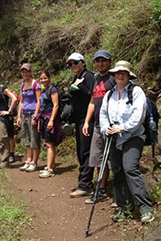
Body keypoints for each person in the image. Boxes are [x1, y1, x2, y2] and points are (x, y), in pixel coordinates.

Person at [99, 60, 154, 224]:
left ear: (129, 75)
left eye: (123, 73)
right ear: (114, 75)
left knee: (130, 168)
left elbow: (138, 116)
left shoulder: (137, 92)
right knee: (117, 170)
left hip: (133, 136)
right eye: (117, 73)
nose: (120, 75)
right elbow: (102, 114)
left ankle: (145, 208)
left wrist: (122, 128)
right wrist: (105, 128)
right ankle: (124, 208)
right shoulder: (110, 94)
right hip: (114, 137)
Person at [80, 50, 116, 205]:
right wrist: (87, 121)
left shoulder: (114, 79)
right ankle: (101, 189)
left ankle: (117, 192)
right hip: (97, 125)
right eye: (98, 61)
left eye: (104, 61)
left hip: (112, 125)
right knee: (97, 159)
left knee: (114, 159)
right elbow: (92, 102)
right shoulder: (95, 79)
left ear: (109, 62)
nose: (101, 64)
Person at [66, 53, 96, 197]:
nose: (73, 66)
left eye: (75, 62)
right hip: (79, 119)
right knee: (80, 151)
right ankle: (83, 181)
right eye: (70, 64)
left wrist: (80, 87)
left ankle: (86, 185)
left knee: (86, 151)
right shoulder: (77, 77)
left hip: (87, 119)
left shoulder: (88, 76)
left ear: (83, 62)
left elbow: (92, 95)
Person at [34, 71, 64, 178]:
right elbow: (41, 105)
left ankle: (50, 169)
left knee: (49, 143)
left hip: (50, 118)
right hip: (44, 118)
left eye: (45, 78)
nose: (43, 80)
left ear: (49, 78)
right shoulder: (43, 90)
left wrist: (51, 120)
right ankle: (50, 165)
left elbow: (56, 105)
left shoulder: (52, 89)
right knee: (48, 143)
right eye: (41, 79)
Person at [17, 63, 41, 172]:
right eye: (23, 72)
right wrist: (18, 116)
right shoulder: (22, 85)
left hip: (32, 113)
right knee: (26, 137)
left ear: (30, 72)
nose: (25, 73)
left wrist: (36, 116)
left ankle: (34, 162)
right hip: (24, 113)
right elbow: (21, 101)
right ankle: (28, 159)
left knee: (34, 137)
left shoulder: (35, 84)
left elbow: (39, 101)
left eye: (26, 71)